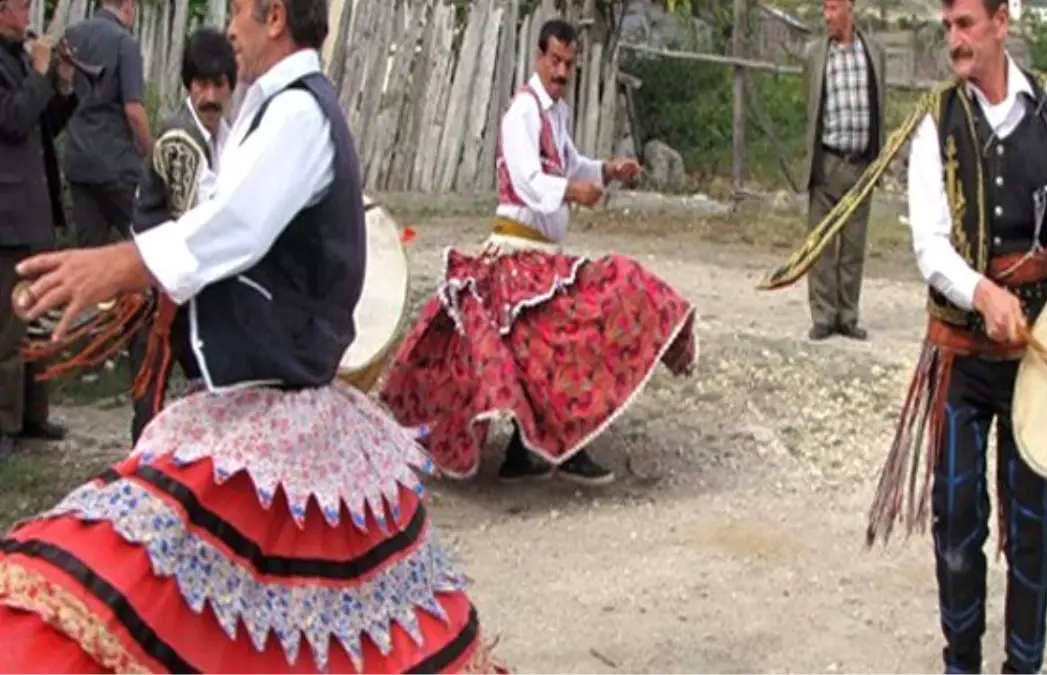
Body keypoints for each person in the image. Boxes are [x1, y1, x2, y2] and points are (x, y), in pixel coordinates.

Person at [0, 0, 503, 671]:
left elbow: (233, 227)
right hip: (259, 402)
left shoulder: (297, 115)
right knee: (248, 618)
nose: (226, 27)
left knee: (146, 575)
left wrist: (116, 266)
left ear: (272, 16)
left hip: (278, 410)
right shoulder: (266, 113)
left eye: (236, 10)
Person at [863, 1, 1047, 674]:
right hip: (963, 355)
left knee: (1033, 527)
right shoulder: (935, 122)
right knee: (955, 520)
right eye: (948, 27)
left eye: (967, 23)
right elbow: (929, 245)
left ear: (1003, 22)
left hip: (1039, 359)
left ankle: (1023, 666)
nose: (955, 40)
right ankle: (962, 663)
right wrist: (983, 292)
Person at [381, 18, 698, 487]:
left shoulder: (555, 114)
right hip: (515, 254)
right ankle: (561, 446)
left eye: (569, 64)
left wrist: (607, 171)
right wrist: (573, 191)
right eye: (555, 61)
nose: (562, 71)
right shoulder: (522, 113)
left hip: (541, 256)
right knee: (563, 339)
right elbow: (529, 179)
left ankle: (525, 449)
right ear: (539, 56)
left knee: (543, 351)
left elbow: (571, 162)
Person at [126, 26, 233, 445]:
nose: (209, 95)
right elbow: (195, 225)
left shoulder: (223, 136)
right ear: (189, 85)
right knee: (151, 400)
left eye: (218, 84)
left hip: (186, 284)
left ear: (229, 86)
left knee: (203, 386)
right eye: (201, 84)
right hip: (159, 288)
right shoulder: (179, 138)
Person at [0, 0, 76, 458]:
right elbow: (12, 119)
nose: (28, 11)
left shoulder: (19, 56)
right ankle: (4, 423)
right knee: (9, 324)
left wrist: (61, 84)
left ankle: (34, 413)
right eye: (21, 4)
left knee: (39, 318)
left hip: (33, 208)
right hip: (5, 215)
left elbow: (44, 125)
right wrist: (39, 72)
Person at [799, 0, 886, 342]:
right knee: (821, 243)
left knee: (852, 246)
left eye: (834, 8)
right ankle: (823, 316)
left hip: (861, 165)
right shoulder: (815, 53)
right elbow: (811, 107)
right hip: (827, 162)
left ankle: (848, 315)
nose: (827, 16)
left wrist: (878, 162)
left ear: (850, 8)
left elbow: (880, 105)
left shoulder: (873, 52)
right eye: (825, 9)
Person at [63, 0, 150, 249]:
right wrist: (151, 152)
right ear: (128, 5)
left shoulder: (72, 36)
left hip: (79, 161)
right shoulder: (124, 43)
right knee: (146, 243)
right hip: (117, 165)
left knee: (89, 254)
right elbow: (133, 110)